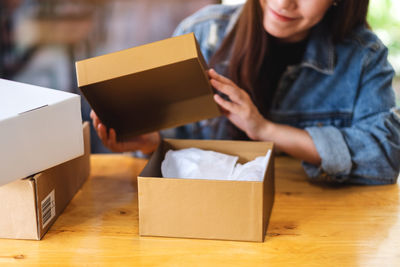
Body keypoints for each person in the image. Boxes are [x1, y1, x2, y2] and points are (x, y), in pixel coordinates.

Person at [91, 0, 400, 184]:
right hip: (206, 218)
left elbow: (386, 158)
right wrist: (151, 144)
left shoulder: (363, 56)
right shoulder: (201, 33)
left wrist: (265, 130)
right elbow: (175, 149)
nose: (284, 3)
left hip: (324, 227)